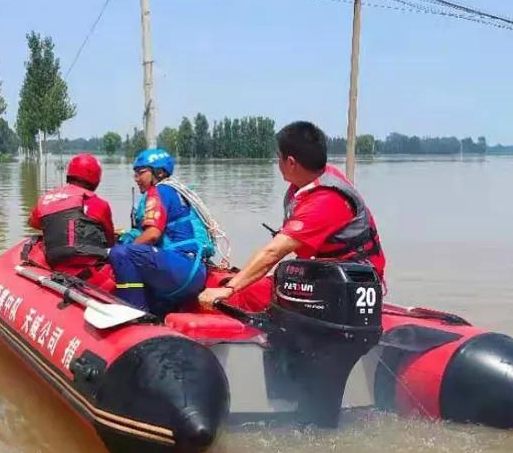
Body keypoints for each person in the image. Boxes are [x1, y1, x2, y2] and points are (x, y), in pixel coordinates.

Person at [198, 121, 386, 312]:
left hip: (348, 283)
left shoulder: (325, 201)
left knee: (240, 294)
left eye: (278, 157)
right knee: (236, 282)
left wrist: (229, 289)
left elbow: (273, 252)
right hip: (325, 272)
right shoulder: (312, 181)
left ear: (291, 162)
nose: (277, 162)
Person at [109, 148, 216, 316]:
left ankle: (134, 318)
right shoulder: (176, 192)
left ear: (158, 172)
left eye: (141, 173)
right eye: (135, 174)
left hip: (181, 268)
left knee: (121, 254)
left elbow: (152, 234)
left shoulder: (159, 190)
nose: (136, 179)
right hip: (195, 270)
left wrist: (124, 251)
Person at [27, 153, 116, 290]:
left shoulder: (45, 198)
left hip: (54, 266)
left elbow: (34, 223)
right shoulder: (100, 204)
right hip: (90, 273)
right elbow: (110, 241)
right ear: (96, 178)